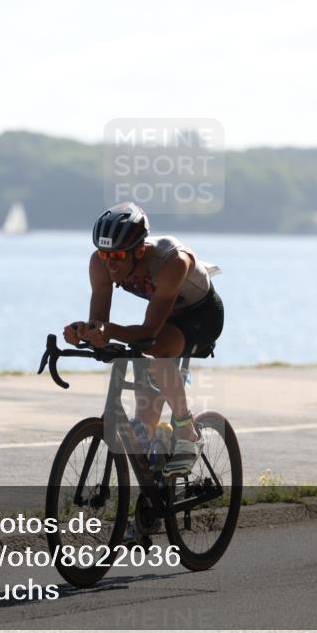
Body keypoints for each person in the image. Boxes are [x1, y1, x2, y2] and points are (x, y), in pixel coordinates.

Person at [63, 202, 224, 475]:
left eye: (117, 258)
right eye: (104, 255)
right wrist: (85, 333)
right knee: (142, 374)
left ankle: (187, 432)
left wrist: (109, 331)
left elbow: (149, 331)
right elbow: (100, 323)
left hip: (201, 316)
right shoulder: (100, 263)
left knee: (156, 351)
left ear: (139, 250)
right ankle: (154, 493)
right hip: (166, 313)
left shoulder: (172, 260)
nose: (109, 264)